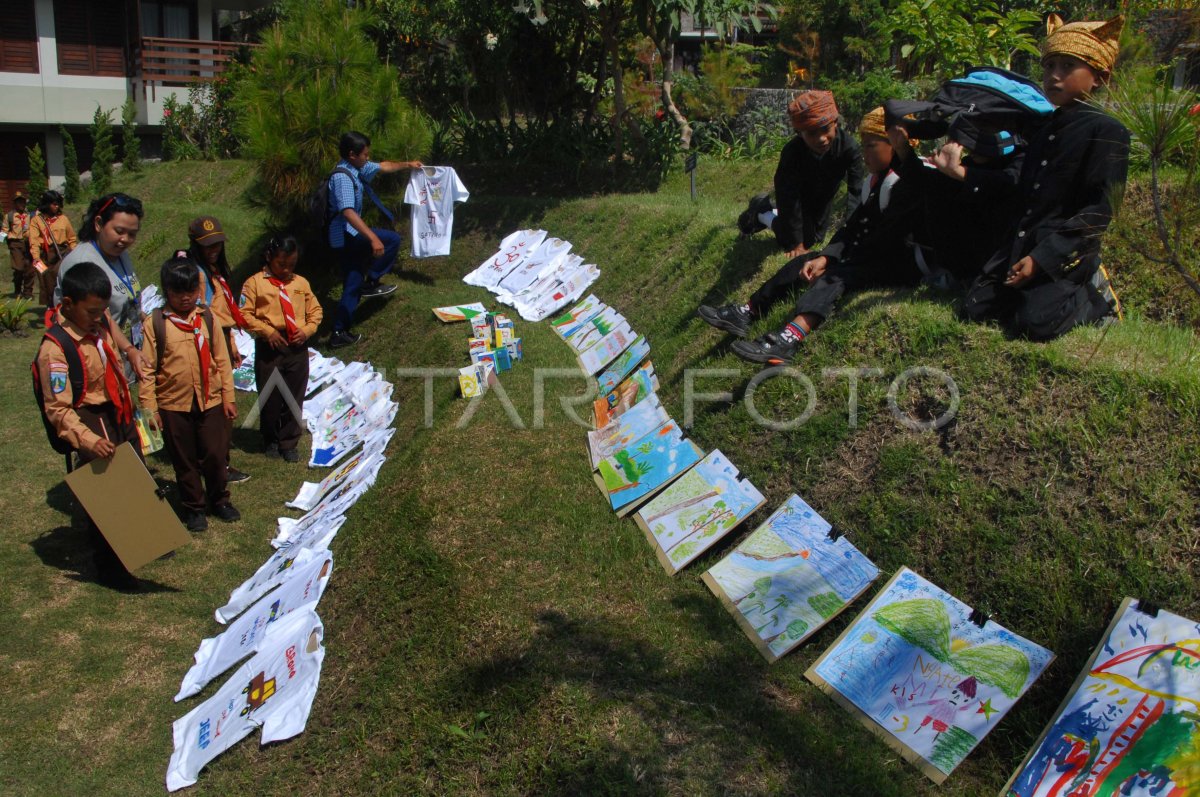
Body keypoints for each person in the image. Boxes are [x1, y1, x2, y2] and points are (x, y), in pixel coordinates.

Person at [701, 108, 921, 364]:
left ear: (896, 145)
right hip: (867, 254)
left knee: (835, 278)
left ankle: (790, 337)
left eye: (871, 145)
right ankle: (748, 311)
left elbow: (890, 240)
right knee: (801, 263)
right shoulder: (877, 181)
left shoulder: (905, 183)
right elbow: (851, 228)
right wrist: (827, 256)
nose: (864, 153)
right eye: (864, 145)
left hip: (897, 264)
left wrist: (840, 263)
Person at [962, 14, 1129, 341]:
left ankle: (1093, 300)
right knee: (974, 308)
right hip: (1024, 242)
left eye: (1067, 67)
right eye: (1049, 65)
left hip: (1065, 253)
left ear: (1100, 76)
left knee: (1035, 324)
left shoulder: (1107, 131)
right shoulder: (1044, 131)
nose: (1054, 76)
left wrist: (1041, 259)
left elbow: (1099, 211)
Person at [35, 262, 140, 590]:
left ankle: (141, 538)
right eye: (93, 312)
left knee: (134, 480)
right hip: (89, 417)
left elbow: (116, 342)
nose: (100, 318)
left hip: (117, 410)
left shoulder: (101, 322)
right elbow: (59, 409)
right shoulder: (55, 349)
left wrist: (131, 352)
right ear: (67, 305)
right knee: (108, 496)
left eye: (103, 311)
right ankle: (111, 568)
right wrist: (87, 440)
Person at [140, 255, 240, 533]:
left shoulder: (207, 318)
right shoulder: (156, 324)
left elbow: (222, 359)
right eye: (177, 292)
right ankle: (193, 507)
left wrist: (228, 397)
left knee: (215, 454)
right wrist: (151, 409)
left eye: (191, 292)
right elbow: (147, 371)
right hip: (173, 403)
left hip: (211, 400)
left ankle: (219, 499)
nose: (185, 298)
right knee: (184, 459)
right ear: (166, 291)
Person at [887, 120, 1025, 291]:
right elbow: (928, 182)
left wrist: (959, 172)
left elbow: (1005, 183)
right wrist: (903, 149)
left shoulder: (1022, 160)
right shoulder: (972, 163)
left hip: (1005, 259)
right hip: (968, 263)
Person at [735, 90, 865, 257]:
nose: (821, 139)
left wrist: (853, 232)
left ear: (835, 123)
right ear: (800, 134)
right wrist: (797, 243)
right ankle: (761, 212)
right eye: (812, 133)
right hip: (797, 197)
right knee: (791, 239)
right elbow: (787, 196)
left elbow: (856, 191)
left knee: (816, 239)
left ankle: (768, 208)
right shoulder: (792, 153)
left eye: (825, 129)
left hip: (823, 197)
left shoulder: (849, 148)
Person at [326, 130, 422, 348]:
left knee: (353, 281)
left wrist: (408, 164)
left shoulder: (356, 168)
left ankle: (339, 332)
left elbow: (384, 166)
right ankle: (372, 281)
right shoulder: (342, 177)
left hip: (350, 235)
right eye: (365, 155)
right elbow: (348, 212)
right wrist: (372, 238)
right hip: (344, 237)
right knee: (390, 240)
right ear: (352, 154)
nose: (368, 158)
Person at [239, 236, 322, 462]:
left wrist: (306, 330)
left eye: (292, 265)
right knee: (271, 395)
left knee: (295, 394)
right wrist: (266, 331)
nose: (286, 270)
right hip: (270, 345)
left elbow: (315, 311)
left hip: (296, 344)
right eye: (281, 264)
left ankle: (289, 441)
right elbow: (244, 314)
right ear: (269, 258)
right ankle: (271, 438)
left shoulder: (300, 283)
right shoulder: (254, 283)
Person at [186, 215, 251, 484]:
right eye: (207, 246)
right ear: (195, 245)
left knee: (223, 399)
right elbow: (202, 313)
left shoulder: (215, 271)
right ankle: (216, 461)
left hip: (221, 338)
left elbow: (223, 311)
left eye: (217, 245)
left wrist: (232, 342)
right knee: (218, 402)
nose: (213, 250)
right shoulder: (196, 273)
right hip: (207, 342)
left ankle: (217, 457)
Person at [55, 193, 148, 379]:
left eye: (132, 234)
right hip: (93, 360)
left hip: (121, 357)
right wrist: (129, 349)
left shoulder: (120, 254)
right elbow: (101, 316)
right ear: (98, 224)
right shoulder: (82, 262)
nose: (125, 239)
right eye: (119, 231)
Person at [29, 190, 77, 310]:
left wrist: (75, 254)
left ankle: (64, 305)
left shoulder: (63, 219)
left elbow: (71, 238)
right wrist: (36, 258)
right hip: (45, 255)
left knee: (57, 277)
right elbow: (33, 240)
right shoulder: (36, 220)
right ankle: (51, 306)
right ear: (46, 204)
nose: (57, 206)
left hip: (62, 253)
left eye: (58, 204)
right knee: (45, 281)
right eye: (54, 204)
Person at [3, 191, 33, 299]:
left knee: (29, 269)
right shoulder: (9, 216)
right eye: (18, 202)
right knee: (19, 268)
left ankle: (28, 292)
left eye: (23, 201)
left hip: (28, 243)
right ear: (15, 203)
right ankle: (17, 290)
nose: (21, 204)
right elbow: (4, 230)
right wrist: (1, 240)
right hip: (15, 243)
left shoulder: (29, 215)